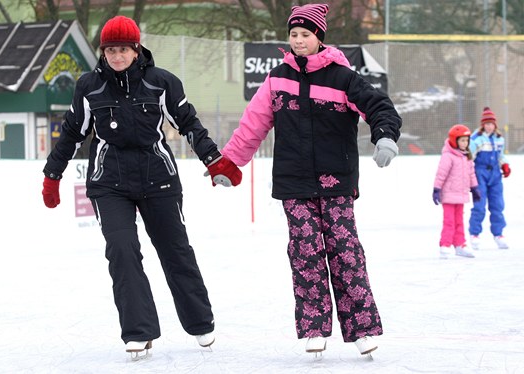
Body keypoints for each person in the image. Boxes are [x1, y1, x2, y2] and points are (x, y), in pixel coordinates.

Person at [41, 15, 242, 358]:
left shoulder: (161, 82)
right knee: (121, 250)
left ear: (136, 50)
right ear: (102, 52)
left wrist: (214, 160)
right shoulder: (89, 86)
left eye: (123, 50)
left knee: (174, 249)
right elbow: (73, 133)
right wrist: (52, 175)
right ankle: (139, 331)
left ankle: (199, 321)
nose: (117, 57)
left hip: (158, 178)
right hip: (109, 183)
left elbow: (188, 123)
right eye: (110, 51)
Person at [219, 4, 402, 356]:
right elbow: (253, 124)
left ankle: (362, 328)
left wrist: (385, 136)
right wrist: (230, 163)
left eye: (305, 34)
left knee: (345, 252)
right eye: (294, 35)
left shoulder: (343, 77)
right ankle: (314, 326)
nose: (299, 40)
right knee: (305, 252)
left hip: (337, 181)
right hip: (294, 182)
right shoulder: (277, 78)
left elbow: (379, 106)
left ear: (319, 37)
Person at [432, 125, 480, 259]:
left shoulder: (466, 156)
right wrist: (437, 189)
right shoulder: (448, 156)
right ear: (455, 140)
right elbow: (441, 174)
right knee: (449, 221)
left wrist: (475, 188)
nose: (465, 143)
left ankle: (460, 244)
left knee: (460, 221)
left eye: (467, 140)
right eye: (462, 140)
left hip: (461, 194)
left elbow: (471, 174)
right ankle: (445, 245)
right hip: (448, 195)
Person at [468, 107, 511, 250]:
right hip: (480, 174)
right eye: (486, 123)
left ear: (495, 125)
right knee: (479, 206)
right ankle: (474, 234)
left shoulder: (499, 139)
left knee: (497, 205)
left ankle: (498, 234)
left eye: (491, 123)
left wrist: (504, 165)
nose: (489, 126)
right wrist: (468, 174)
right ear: (482, 124)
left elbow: (500, 156)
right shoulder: (476, 139)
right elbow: (469, 157)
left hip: (495, 176)